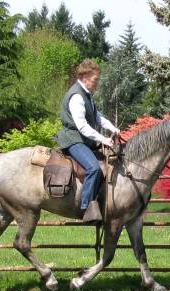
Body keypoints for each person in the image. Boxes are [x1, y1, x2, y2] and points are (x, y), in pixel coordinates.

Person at [57, 59, 120, 223]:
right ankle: (85, 208)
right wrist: (104, 139)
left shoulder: (87, 95)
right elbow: (82, 126)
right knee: (94, 169)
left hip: (83, 140)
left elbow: (97, 117)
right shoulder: (77, 96)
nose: (97, 84)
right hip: (73, 140)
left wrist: (112, 128)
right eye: (95, 80)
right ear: (85, 77)